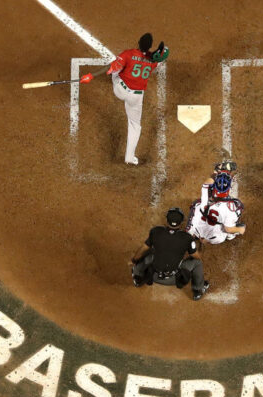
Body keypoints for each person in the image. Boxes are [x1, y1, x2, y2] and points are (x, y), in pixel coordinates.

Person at [79, 33, 169, 165]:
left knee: (115, 70)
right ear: (150, 47)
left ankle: (115, 76)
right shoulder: (154, 61)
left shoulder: (128, 54)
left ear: (138, 42)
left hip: (120, 90)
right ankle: (129, 158)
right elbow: (164, 52)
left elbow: (109, 67)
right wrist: (156, 53)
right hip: (135, 97)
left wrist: (90, 76)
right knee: (135, 125)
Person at [130, 208, 210, 300]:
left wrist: (134, 260)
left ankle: (138, 279)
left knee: (147, 250)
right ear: (181, 223)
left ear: (167, 220)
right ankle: (198, 291)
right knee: (197, 263)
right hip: (174, 279)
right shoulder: (187, 238)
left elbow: (143, 249)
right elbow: (197, 257)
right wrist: (201, 244)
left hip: (153, 276)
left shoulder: (156, 231)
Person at [186, 163, 246, 245]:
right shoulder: (230, 208)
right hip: (215, 238)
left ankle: (191, 234)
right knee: (236, 219)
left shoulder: (206, 191)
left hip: (196, 229)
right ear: (228, 189)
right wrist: (240, 230)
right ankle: (228, 237)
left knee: (197, 204)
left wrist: (216, 172)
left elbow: (208, 181)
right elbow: (228, 229)